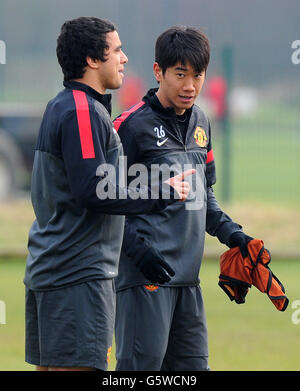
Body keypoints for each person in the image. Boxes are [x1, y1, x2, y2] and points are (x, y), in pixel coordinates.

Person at [23, 17, 194, 372]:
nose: (124, 58)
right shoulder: (82, 111)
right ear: (92, 60)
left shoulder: (62, 106)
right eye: (116, 50)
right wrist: (160, 192)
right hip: (77, 276)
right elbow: (94, 189)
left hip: (52, 270)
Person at [114, 26, 254, 371]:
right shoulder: (128, 127)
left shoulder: (202, 122)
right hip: (144, 279)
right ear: (158, 71)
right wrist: (138, 250)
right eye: (180, 74)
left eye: (198, 75)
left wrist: (234, 236)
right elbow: (105, 203)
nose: (190, 85)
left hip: (189, 282)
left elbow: (203, 195)